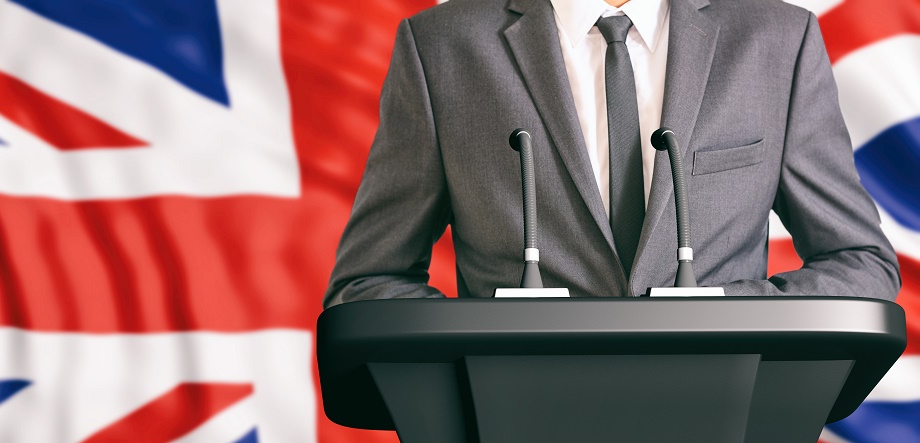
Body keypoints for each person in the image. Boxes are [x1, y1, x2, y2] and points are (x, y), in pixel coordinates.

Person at [323, 0, 901, 308]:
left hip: (723, 439)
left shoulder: (779, 41)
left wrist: (727, 312)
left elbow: (861, 265)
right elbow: (368, 283)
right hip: (516, 441)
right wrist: (482, 341)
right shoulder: (442, 48)